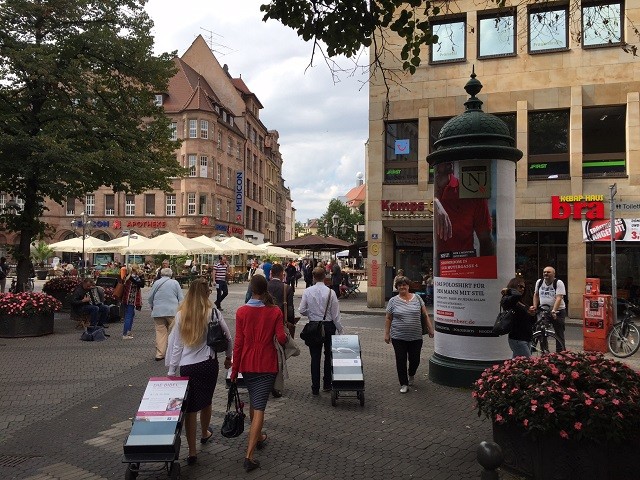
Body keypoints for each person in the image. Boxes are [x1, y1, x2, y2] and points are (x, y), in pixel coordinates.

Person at [166, 278, 232, 465]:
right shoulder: (212, 312)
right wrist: (229, 357)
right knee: (206, 401)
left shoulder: (181, 315)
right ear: (206, 294)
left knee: (190, 408)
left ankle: (192, 451)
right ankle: (204, 433)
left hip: (187, 366)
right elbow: (228, 336)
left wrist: (172, 370)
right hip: (208, 363)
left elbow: (177, 345)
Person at [231, 275, 287, 472]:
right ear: (265, 290)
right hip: (266, 364)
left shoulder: (241, 312)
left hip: (247, 362)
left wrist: (234, 369)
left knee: (255, 403)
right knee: (260, 407)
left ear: (250, 289)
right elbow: (281, 338)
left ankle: (259, 436)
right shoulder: (275, 312)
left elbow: (238, 343)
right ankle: (249, 456)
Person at [433, 161, 494, 274]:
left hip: (461, 271)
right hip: (438, 278)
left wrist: (486, 278)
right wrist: (435, 201)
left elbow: (485, 239)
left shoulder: (470, 193)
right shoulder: (433, 195)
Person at [384, 276, 433, 393]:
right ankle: (404, 383)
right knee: (401, 360)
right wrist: (387, 333)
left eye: (404, 285)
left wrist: (430, 328)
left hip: (415, 336)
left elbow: (425, 314)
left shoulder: (417, 298)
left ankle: (411, 373)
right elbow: (388, 318)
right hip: (398, 336)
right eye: (400, 285)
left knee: (415, 359)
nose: (402, 287)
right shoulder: (393, 301)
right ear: (397, 287)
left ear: (408, 286)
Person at [299, 266, 344, 395]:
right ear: (325, 277)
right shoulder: (331, 292)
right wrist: (340, 329)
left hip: (314, 326)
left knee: (315, 357)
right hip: (329, 326)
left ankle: (315, 387)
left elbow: (301, 310)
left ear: (313, 277)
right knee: (328, 355)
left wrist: (311, 314)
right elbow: (335, 314)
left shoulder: (307, 291)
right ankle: (327, 384)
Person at [267, 263, 295, 398]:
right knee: (280, 354)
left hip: (265, 325)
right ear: (282, 274)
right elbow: (289, 308)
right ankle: (276, 384)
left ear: (271, 273)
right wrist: (291, 321)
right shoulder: (287, 288)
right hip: (280, 324)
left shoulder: (265, 286)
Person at [148, 267, 184, 361]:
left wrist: (152, 306)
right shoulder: (175, 283)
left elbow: (150, 297)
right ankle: (175, 353)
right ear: (171, 274)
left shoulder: (157, 283)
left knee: (160, 333)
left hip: (158, 311)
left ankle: (160, 354)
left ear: (161, 274)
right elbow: (181, 298)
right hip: (173, 311)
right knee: (175, 332)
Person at [529, 266, 567, 352]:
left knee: (559, 332)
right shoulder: (539, 282)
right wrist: (535, 306)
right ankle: (544, 349)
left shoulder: (558, 282)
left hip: (558, 311)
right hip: (544, 310)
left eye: (548, 272)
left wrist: (554, 310)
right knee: (540, 328)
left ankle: (561, 353)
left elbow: (559, 298)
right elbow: (536, 295)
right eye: (544, 272)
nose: (546, 274)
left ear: (554, 274)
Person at [501, 278, 535, 358]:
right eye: (520, 286)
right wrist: (509, 290)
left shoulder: (521, 302)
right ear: (514, 286)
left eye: (524, 287)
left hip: (526, 338)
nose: (522, 289)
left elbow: (530, 321)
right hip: (518, 339)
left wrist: (532, 314)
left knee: (518, 365)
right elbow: (516, 295)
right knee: (528, 363)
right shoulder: (509, 301)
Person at [121, 263, 146, 339]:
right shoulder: (134, 277)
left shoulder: (127, 276)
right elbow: (142, 284)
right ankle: (125, 334)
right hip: (131, 299)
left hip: (125, 299)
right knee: (129, 316)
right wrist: (142, 276)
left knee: (130, 315)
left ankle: (128, 331)